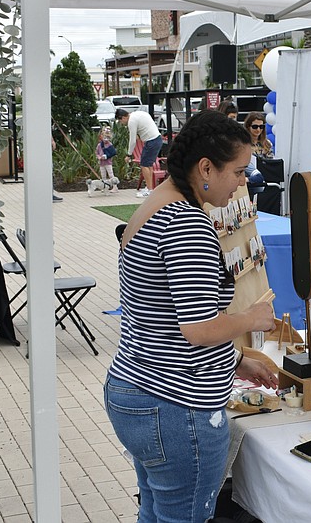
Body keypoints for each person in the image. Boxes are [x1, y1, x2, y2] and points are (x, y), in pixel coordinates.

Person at [104, 110, 278, 522]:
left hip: (138, 391)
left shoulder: (154, 205)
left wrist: (237, 361)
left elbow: (158, 316)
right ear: (205, 167)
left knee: (157, 512)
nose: (242, 182)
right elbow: (197, 328)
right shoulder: (187, 223)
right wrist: (253, 319)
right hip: (176, 408)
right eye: (238, 171)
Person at [115, 108, 163, 198]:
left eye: (120, 120)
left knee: (144, 165)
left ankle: (149, 190)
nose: (121, 123)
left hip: (151, 142)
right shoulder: (137, 114)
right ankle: (150, 188)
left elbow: (132, 141)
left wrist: (129, 155)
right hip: (157, 139)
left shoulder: (131, 121)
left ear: (124, 117)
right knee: (148, 165)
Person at [95, 126, 118, 193]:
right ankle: (104, 187)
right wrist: (99, 157)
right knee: (103, 175)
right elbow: (97, 152)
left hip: (108, 162)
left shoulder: (110, 145)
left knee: (111, 174)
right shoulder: (99, 145)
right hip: (101, 163)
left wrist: (106, 156)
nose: (105, 139)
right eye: (104, 137)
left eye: (107, 138)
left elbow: (113, 153)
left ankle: (115, 187)